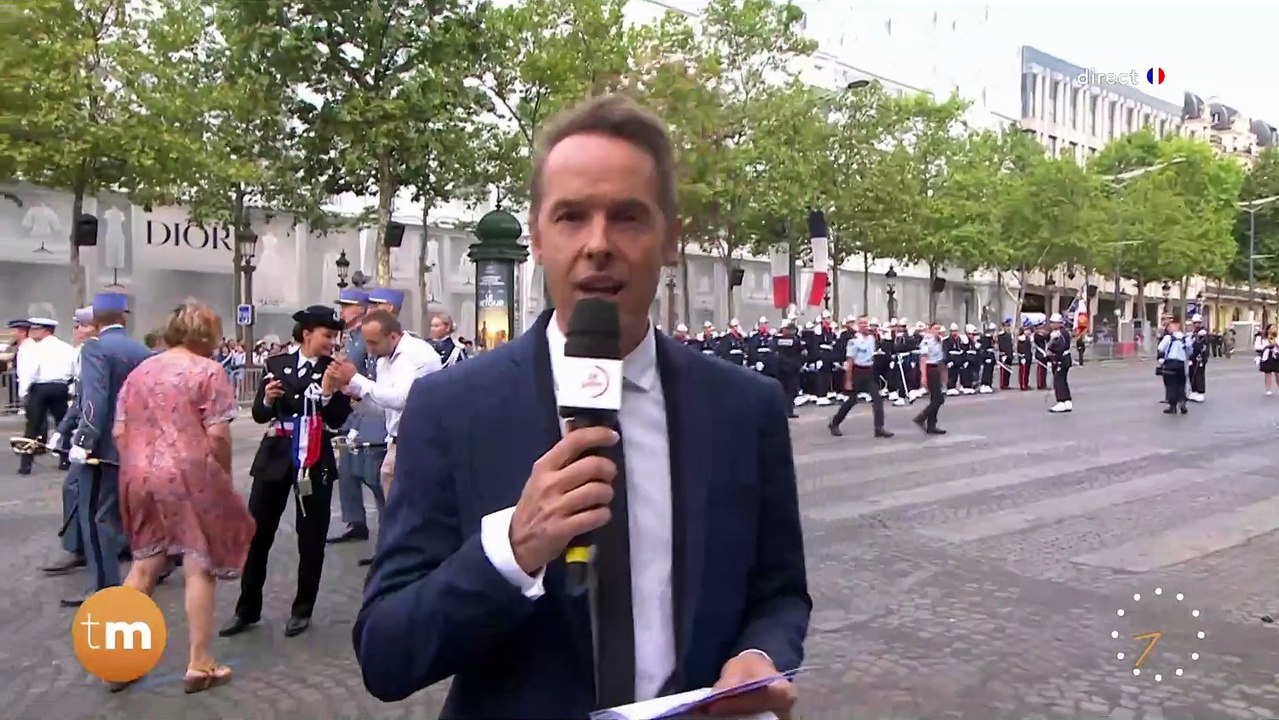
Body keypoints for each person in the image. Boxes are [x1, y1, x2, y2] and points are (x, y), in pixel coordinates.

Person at [353, 94, 810, 718]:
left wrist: (759, 651)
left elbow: (779, 592)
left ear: (671, 240)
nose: (598, 244)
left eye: (627, 217)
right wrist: (510, 550)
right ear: (538, 238)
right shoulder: (452, 408)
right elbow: (386, 654)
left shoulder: (745, 409)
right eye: (571, 217)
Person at [112, 300, 255, 693]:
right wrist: (222, 473)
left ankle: (117, 661)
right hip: (191, 473)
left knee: (142, 566)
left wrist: (139, 463)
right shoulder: (208, 372)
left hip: (139, 473)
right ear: (207, 335)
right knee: (199, 563)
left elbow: (119, 431)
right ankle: (199, 661)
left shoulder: (140, 373)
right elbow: (218, 434)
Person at [220, 305, 353, 639]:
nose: (331, 342)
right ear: (307, 334)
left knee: (311, 537)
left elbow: (338, 419)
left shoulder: (334, 371)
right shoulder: (276, 364)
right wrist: (265, 399)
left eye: (334, 336)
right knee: (257, 534)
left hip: (315, 458)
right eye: (326, 335)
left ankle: (302, 609)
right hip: (276, 456)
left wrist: (328, 392)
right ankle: (247, 609)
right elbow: (263, 415)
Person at [62, 293, 152, 608]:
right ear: (124, 318)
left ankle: (105, 587)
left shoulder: (95, 348)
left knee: (96, 517)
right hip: (135, 445)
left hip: (102, 450)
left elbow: (94, 401)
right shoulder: (142, 351)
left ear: (95, 321)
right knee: (121, 514)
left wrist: (83, 440)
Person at [326, 310, 441, 499]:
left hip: (422, 442)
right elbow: (385, 408)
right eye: (367, 342)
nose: (370, 349)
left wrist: (355, 378)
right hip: (398, 442)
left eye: (374, 342)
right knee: (393, 501)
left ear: (393, 336)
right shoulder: (383, 360)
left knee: (414, 505)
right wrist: (354, 393)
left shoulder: (418, 354)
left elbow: (401, 399)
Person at [42, 306, 95, 575]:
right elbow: (80, 400)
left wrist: (81, 438)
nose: (75, 331)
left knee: (75, 488)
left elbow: (93, 403)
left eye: (80, 326)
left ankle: (81, 550)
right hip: (99, 435)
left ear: (92, 327)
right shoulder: (83, 355)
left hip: (99, 438)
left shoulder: (94, 354)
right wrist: (62, 430)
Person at [328, 288, 381, 548]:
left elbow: (371, 371)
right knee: (346, 467)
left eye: (347, 305)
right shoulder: (349, 336)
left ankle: (387, 525)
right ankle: (355, 521)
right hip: (352, 410)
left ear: (361, 308)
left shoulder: (366, 336)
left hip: (368, 408)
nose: (343, 310)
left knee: (372, 471)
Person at [15, 317, 75, 476]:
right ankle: (65, 459)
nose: (33, 332)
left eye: (36, 329)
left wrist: (24, 392)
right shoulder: (67, 348)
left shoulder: (35, 349)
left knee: (32, 426)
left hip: (40, 387)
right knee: (63, 424)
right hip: (60, 387)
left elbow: (29, 371)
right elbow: (74, 370)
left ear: (45, 331)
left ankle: (26, 464)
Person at [829, 316, 892, 438]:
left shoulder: (872, 339)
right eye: (862, 323)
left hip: (869, 372)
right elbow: (850, 360)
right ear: (858, 325)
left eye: (866, 323)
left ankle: (879, 428)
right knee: (852, 400)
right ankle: (835, 423)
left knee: (877, 399)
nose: (864, 326)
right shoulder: (853, 341)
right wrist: (848, 380)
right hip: (857, 371)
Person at [913, 322, 947, 435]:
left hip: (936, 368)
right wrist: (923, 376)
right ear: (930, 329)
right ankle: (921, 417)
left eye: (939, 328)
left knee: (935, 399)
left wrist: (943, 374)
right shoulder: (927, 341)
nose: (937, 330)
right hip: (929, 369)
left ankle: (931, 425)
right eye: (935, 328)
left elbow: (940, 359)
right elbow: (923, 359)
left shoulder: (939, 340)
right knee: (938, 399)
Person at [1157, 319, 1193, 414]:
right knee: (1181, 384)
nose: (1168, 328)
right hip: (1180, 364)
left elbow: (1160, 348)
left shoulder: (1168, 338)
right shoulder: (1186, 338)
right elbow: (1189, 351)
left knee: (1170, 384)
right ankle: (1182, 401)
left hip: (1170, 363)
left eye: (1170, 326)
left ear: (1174, 327)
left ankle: (1172, 406)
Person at [1046, 313, 1073, 414]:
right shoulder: (1060, 332)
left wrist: (1052, 352)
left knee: (1058, 381)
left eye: (1053, 323)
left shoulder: (1061, 333)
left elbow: (1060, 347)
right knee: (1062, 380)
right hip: (1064, 359)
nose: (1052, 325)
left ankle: (1061, 401)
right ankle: (1067, 400)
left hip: (1061, 359)